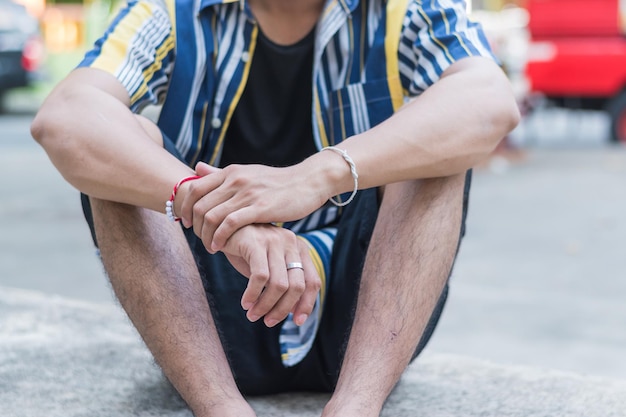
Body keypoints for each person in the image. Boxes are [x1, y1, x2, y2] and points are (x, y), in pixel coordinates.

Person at [31, 0, 519, 416]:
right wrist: (221, 216)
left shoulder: (405, 8)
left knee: (440, 139)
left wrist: (316, 175)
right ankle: (221, 408)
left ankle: (355, 408)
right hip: (207, 312)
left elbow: (489, 103)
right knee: (121, 145)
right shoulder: (173, 10)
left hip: (367, 319)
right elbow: (67, 116)